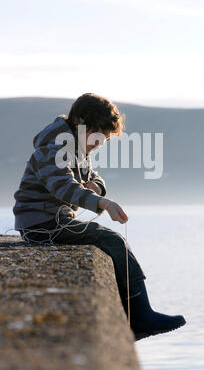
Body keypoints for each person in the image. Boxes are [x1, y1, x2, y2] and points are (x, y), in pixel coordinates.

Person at [13, 93, 186, 340]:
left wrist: (97, 187)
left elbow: (92, 176)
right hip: (41, 224)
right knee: (113, 241)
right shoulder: (53, 148)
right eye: (97, 137)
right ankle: (141, 317)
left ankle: (134, 314)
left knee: (109, 242)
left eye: (103, 140)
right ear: (80, 121)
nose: (98, 144)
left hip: (54, 220)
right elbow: (65, 187)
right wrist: (102, 202)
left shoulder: (75, 146)